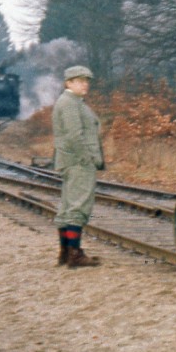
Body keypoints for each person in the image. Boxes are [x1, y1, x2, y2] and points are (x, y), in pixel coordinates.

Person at [53, 65, 104, 268]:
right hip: (78, 163)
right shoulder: (70, 103)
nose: (85, 84)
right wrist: (87, 159)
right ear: (68, 83)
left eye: (86, 81)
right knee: (78, 207)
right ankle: (74, 254)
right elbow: (75, 135)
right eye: (80, 81)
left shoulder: (70, 102)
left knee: (68, 207)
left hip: (72, 161)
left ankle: (66, 253)